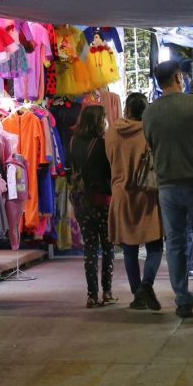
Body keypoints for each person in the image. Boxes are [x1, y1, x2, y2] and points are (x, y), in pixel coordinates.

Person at [143, 61, 193, 321]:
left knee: (176, 243)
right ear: (179, 77)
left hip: (167, 186)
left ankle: (182, 300)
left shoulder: (150, 112)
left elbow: (152, 146)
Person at [104, 93, 163, 311]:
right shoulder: (150, 131)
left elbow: (109, 160)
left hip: (121, 194)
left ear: (126, 109)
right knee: (155, 244)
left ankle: (137, 293)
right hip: (147, 194)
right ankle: (146, 286)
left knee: (129, 249)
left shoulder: (111, 132)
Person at [69, 105, 115, 308]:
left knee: (89, 247)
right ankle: (107, 292)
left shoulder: (73, 141)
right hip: (102, 200)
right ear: (98, 121)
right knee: (107, 247)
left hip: (82, 201)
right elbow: (109, 172)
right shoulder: (102, 144)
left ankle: (91, 295)